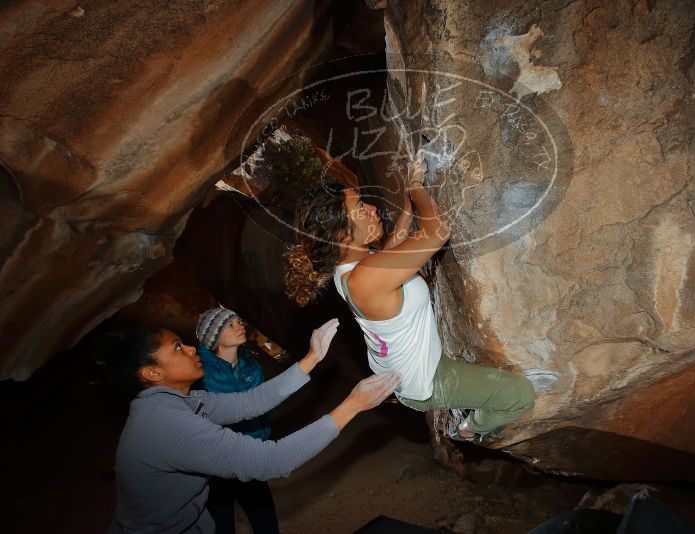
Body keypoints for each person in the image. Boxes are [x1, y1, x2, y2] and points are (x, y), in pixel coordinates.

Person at [284, 153, 535, 442]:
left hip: (401, 372)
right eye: (360, 209)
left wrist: (407, 204)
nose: (372, 208)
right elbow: (437, 231)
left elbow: (392, 250)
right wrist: (416, 187)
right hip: (428, 381)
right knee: (519, 394)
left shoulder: (347, 271)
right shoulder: (364, 278)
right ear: (342, 235)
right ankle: (468, 430)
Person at [102, 322, 400, 533]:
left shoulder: (183, 401)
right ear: (153, 372)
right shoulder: (165, 424)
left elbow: (249, 402)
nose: (192, 348)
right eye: (177, 347)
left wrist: (311, 358)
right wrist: (354, 405)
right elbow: (270, 461)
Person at [194, 306, 315, 533]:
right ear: (214, 337)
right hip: (216, 462)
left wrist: (261, 441)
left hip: (251, 453)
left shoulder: (251, 366)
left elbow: (261, 406)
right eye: (230, 325)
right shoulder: (199, 375)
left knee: (266, 523)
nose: (240, 325)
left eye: (239, 321)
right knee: (221, 525)